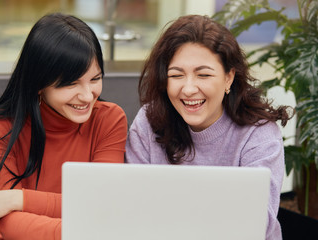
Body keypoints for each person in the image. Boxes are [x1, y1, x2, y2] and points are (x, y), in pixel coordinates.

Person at [125, 15, 293, 240]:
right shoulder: (149, 120)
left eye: (203, 75)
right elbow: (132, 209)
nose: (189, 89)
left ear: (228, 78)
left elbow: (255, 225)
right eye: (176, 75)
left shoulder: (258, 133)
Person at [0, 13, 127, 239]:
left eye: (95, 79)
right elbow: (9, 224)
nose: (88, 96)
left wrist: (17, 199)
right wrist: (84, 229)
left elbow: (104, 203)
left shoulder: (109, 120)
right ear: (39, 83)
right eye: (71, 84)